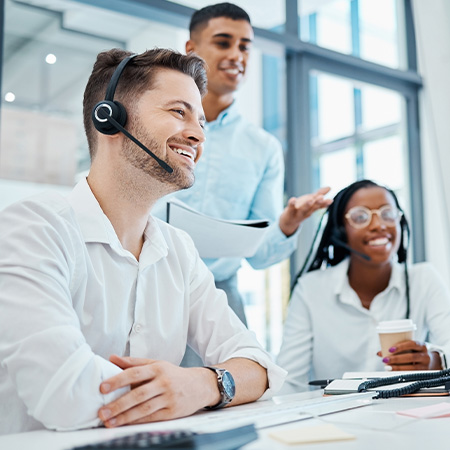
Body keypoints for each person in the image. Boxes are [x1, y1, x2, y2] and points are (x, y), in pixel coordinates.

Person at [0, 47, 287, 435]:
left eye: (200, 120)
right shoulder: (34, 230)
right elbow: (64, 394)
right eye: (178, 112)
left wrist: (200, 384)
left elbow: (260, 366)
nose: (199, 134)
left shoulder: (179, 250)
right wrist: (187, 389)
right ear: (110, 118)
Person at [153, 3, 330, 358]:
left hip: (220, 295)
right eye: (223, 42)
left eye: (245, 46)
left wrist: (287, 224)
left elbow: (261, 255)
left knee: (237, 396)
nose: (237, 55)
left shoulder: (262, 147)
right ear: (191, 50)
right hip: (149, 284)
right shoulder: (153, 120)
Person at [277, 179, 450, 394]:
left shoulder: (424, 280)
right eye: (361, 217)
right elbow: (288, 382)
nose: (379, 225)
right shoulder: (310, 290)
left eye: (387, 214)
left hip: (406, 415)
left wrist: (437, 361)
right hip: (336, 419)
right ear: (341, 232)